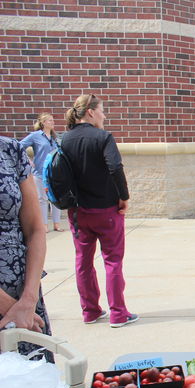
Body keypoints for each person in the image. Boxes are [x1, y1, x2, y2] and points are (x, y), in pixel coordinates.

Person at [62, 94, 137, 328]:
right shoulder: (103, 137)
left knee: (83, 262)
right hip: (106, 210)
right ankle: (118, 314)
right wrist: (124, 197)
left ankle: (91, 312)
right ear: (91, 112)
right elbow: (114, 167)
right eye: (102, 110)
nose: (104, 115)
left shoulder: (65, 139)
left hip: (78, 212)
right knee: (113, 261)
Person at [0, 136, 51, 388]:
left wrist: (28, 298)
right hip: (13, 308)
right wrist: (9, 307)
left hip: (24, 297)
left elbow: (35, 228)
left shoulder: (10, 149)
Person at [19, 113, 63, 232]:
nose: (52, 122)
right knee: (42, 199)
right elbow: (19, 146)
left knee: (55, 198)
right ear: (43, 123)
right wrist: (27, 160)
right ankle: (44, 224)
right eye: (49, 120)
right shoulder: (35, 136)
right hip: (39, 172)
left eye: (53, 120)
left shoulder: (55, 137)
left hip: (54, 172)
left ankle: (56, 223)